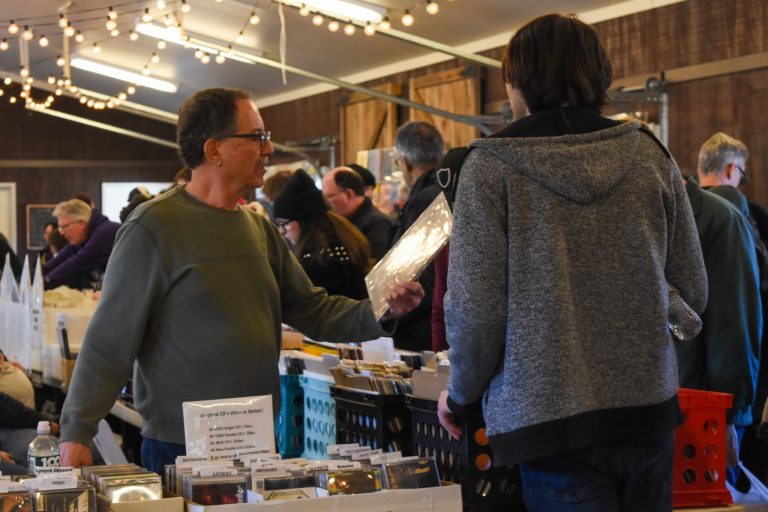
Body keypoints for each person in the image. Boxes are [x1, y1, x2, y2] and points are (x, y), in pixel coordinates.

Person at [58, 88, 424, 473]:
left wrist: (381, 309)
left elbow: (313, 309)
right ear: (214, 150)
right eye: (257, 137)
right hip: (182, 446)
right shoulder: (153, 227)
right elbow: (111, 337)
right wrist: (77, 430)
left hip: (256, 438)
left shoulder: (258, 229)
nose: (268, 149)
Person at [437, 14, 707, 512]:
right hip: (647, 408)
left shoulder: (490, 168)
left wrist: (459, 395)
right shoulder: (650, 154)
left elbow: (475, 312)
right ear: (598, 74)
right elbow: (691, 286)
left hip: (548, 420)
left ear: (519, 81)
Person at [388, 121, 446, 351]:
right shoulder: (452, 189)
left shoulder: (423, 201)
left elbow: (412, 274)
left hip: (421, 333)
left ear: (405, 162)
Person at [274, 169, 372, 299]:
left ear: (304, 221)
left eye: (284, 223)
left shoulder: (322, 262)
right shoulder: (339, 237)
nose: (281, 231)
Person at [42, 199, 120, 290]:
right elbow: (55, 263)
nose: (62, 233)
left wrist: (43, 283)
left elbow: (77, 264)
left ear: (81, 223)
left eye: (65, 226)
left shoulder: (105, 233)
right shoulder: (83, 237)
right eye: (60, 228)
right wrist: (32, 278)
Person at [322, 167, 392, 261]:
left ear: (348, 194)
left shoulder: (378, 224)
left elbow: (373, 265)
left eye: (329, 196)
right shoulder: (337, 221)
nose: (325, 203)